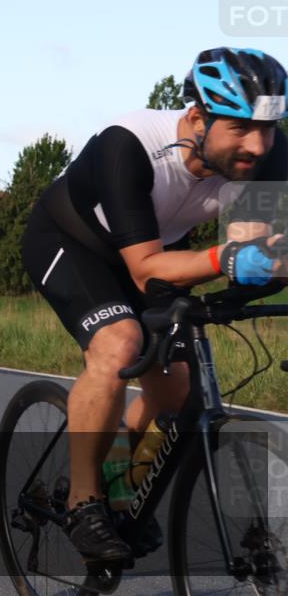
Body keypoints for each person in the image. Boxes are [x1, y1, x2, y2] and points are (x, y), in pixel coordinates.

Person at [20, 47, 288, 564]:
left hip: (159, 250)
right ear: (198, 118)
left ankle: (116, 478)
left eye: (268, 128)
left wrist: (262, 265)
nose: (257, 145)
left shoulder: (267, 156)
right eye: (239, 127)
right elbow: (147, 270)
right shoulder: (130, 145)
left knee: (176, 389)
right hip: (72, 243)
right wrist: (229, 258)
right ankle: (82, 501)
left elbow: (252, 245)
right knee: (119, 345)